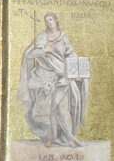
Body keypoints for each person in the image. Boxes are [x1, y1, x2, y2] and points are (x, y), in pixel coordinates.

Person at [18, 12, 85, 148]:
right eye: (46, 20)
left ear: (56, 20)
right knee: (47, 111)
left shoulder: (63, 37)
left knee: (63, 109)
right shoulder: (42, 37)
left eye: (51, 20)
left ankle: (68, 137)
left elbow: (71, 54)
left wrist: (78, 69)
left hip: (61, 77)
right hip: (45, 78)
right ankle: (49, 137)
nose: (49, 22)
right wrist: (44, 51)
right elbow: (29, 54)